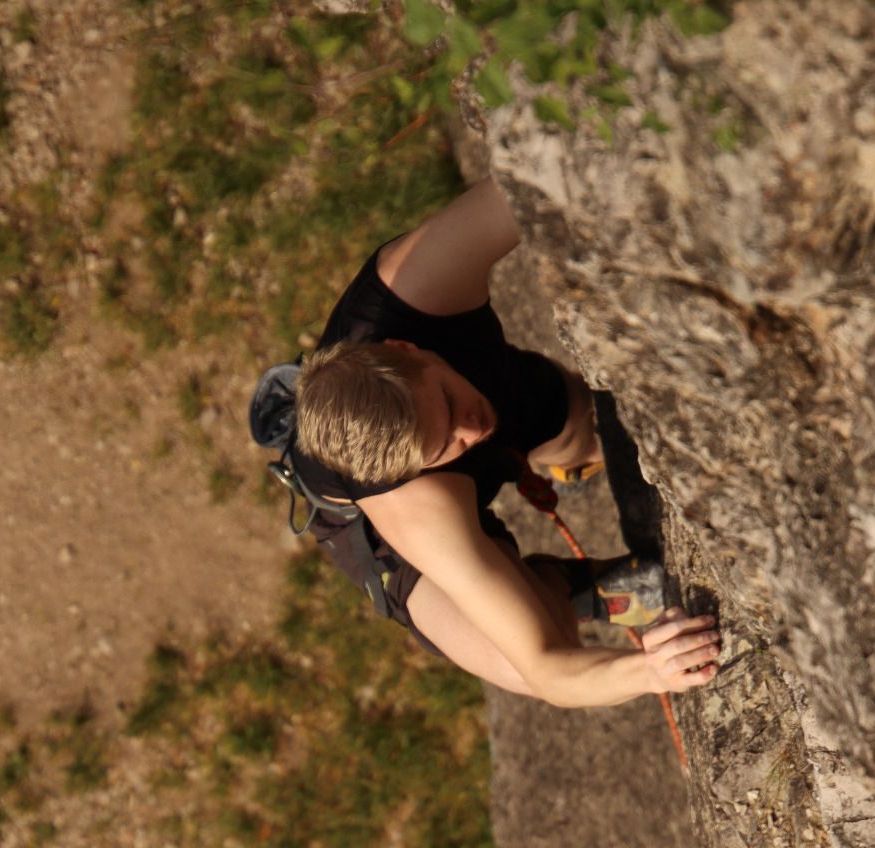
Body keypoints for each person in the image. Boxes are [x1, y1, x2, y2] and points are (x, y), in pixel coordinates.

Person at [289, 177, 720, 707]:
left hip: (485, 384)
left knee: (595, 427)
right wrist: (651, 670)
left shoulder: (416, 285)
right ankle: (568, 590)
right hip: (387, 527)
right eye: (447, 444)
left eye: (448, 408)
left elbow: (534, 177)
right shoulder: (414, 510)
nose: (472, 433)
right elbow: (549, 671)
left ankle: (563, 457)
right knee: (518, 657)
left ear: (406, 347)